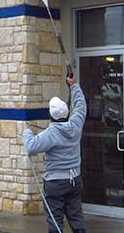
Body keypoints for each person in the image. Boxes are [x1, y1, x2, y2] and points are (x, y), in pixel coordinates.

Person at [22, 75, 87, 233]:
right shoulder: (75, 125)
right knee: (76, 217)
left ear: (51, 116)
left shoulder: (51, 133)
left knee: (55, 221)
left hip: (55, 183)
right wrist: (74, 85)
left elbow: (30, 146)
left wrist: (27, 131)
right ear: (67, 114)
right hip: (74, 180)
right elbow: (80, 106)